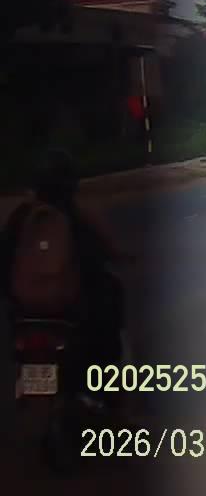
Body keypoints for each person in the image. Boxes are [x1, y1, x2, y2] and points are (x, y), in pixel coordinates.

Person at [2, 149, 129, 394]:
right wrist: (122, 257)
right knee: (110, 295)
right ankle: (110, 384)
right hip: (66, 314)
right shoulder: (75, 217)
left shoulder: (20, 216)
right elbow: (102, 250)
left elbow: (4, 256)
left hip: (24, 316)